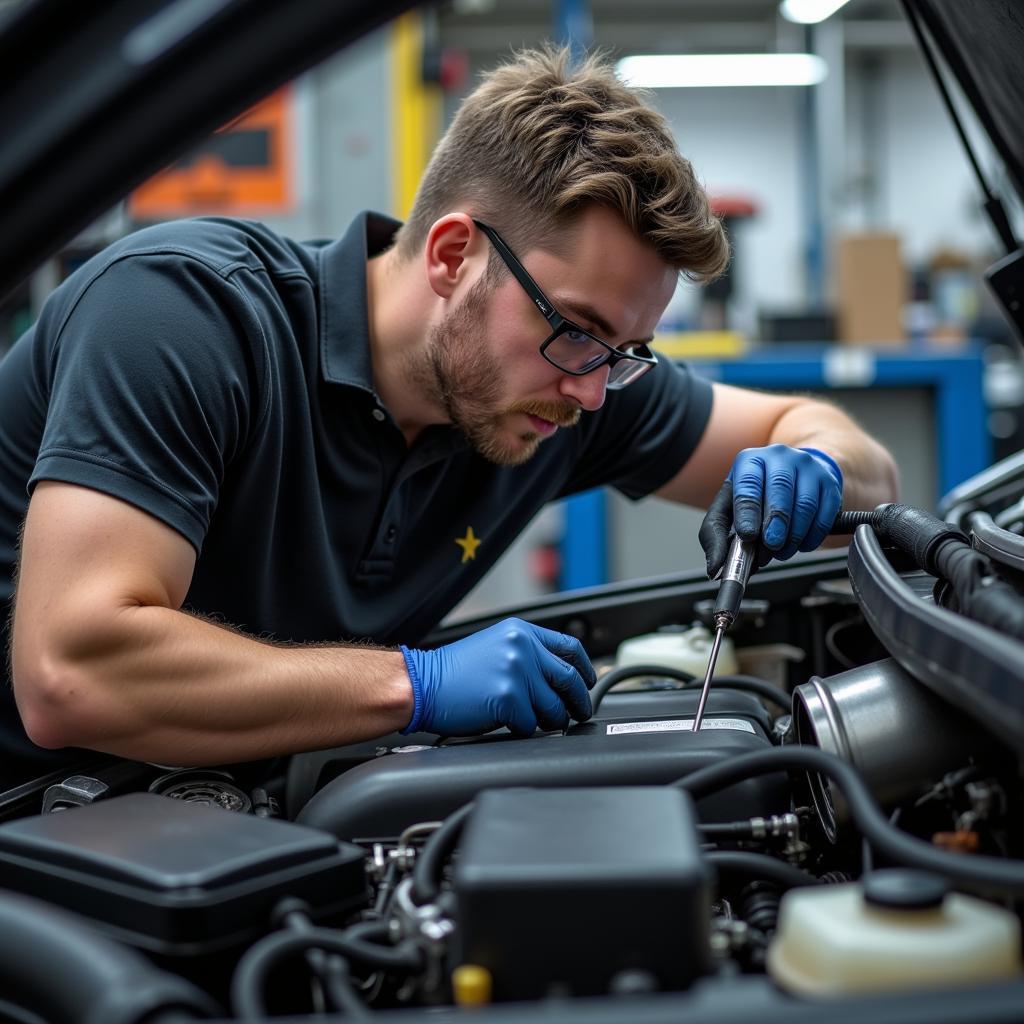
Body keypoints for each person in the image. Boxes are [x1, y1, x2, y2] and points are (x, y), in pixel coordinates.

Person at [0, 47, 898, 785]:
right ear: (454, 253)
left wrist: (814, 466)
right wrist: (415, 684)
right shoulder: (186, 316)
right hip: (42, 839)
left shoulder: (559, 386)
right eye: (579, 331)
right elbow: (72, 674)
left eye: (625, 354)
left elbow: (848, 454)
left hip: (237, 814)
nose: (593, 391)